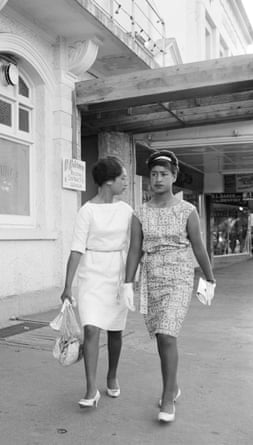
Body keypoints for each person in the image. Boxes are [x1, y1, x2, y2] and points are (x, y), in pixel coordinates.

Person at [124, 150, 216, 423]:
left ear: (174, 177)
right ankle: (173, 386)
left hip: (179, 277)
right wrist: (128, 283)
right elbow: (134, 250)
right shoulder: (139, 213)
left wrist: (210, 277)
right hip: (151, 278)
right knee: (160, 336)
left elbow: (198, 246)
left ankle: (167, 398)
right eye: (153, 174)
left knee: (167, 333)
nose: (158, 179)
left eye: (164, 174)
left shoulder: (188, 210)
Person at [60, 156, 134, 408]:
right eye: (122, 178)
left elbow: (135, 245)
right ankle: (91, 389)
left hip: (117, 272)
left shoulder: (126, 210)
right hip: (91, 272)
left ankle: (112, 375)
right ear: (108, 181)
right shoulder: (87, 211)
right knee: (91, 327)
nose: (126, 182)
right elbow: (76, 249)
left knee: (115, 329)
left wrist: (131, 279)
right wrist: (67, 286)